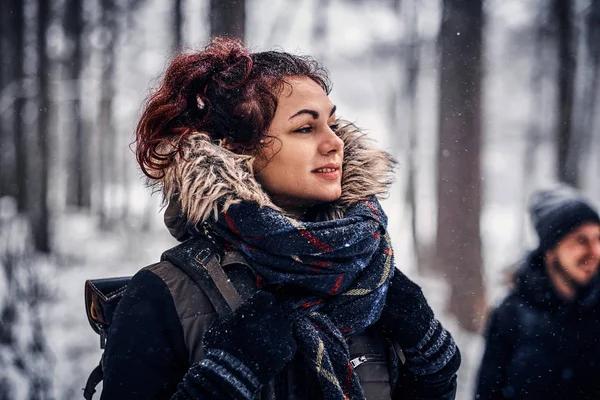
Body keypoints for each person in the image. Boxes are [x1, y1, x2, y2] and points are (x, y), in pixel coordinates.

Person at [100, 37, 460, 400]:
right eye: (305, 128)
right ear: (234, 151)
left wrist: (434, 369)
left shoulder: (371, 276)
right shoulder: (164, 294)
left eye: (332, 124)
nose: (334, 142)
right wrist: (222, 379)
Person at [474, 185, 600, 400]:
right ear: (551, 251)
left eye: (598, 239)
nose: (594, 251)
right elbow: (487, 392)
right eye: (581, 240)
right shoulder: (511, 314)